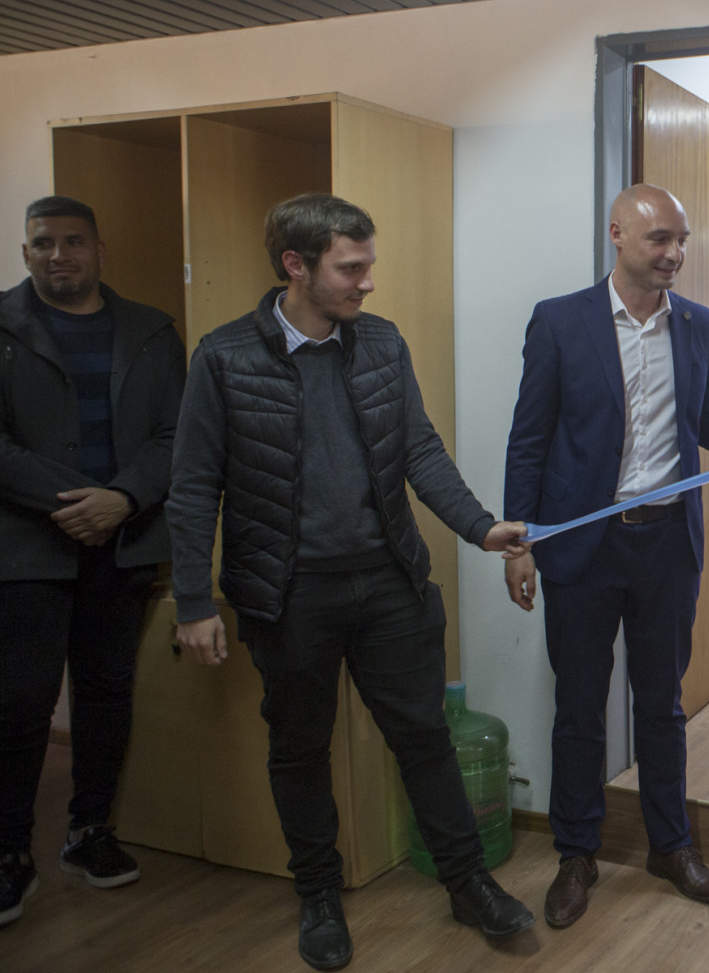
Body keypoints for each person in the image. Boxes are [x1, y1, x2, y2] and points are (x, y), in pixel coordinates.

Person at [169, 193, 535, 971]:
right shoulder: (223, 357)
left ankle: (468, 884)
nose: (367, 282)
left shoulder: (382, 343)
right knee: (299, 749)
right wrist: (195, 602)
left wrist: (480, 527)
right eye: (351, 267)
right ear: (295, 266)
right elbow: (194, 486)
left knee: (424, 738)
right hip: (288, 594)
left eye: (368, 265)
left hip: (390, 581)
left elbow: (419, 449)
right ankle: (319, 895)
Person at [502, 183, 709, 931]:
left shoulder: (696, 324)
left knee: (663, 706)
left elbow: (704, 421)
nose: (674, 253)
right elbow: (529, 438)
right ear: (617, 234)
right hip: (581, 546)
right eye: (659, 239)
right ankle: (576, 853)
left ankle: (670, 847)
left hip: (667, 546)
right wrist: (519, 541)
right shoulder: (559, 321)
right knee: (579, 708)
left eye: (682, 240)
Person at [0, 196, 186, 927]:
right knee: (21, 703)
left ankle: (90, 831)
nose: (59, 255)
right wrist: (76, 502)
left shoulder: (152, 332)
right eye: (43, 242)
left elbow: (176, 436)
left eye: (73, 241)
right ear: (26, 253)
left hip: (124, 541)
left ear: (99, 251)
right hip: (27, 550)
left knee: (107, 693)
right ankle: (10, 852)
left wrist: (122, 499)